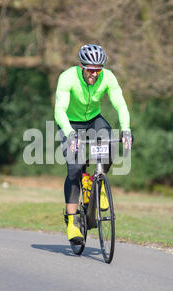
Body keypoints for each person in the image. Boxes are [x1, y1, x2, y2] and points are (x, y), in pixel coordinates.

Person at [54, 44, 132, 244]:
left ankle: (99, 185)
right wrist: (70, 134)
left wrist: (126, 129)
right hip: (70, 123)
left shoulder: (108, 77)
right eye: (91, 69)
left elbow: (120, 103)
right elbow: (59, 110)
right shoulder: (67, 77)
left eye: (98, 69)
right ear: (81, 66)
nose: (95, 74)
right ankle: (72, 223)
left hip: (94, 119)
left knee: (110, 141)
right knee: (75, 168)